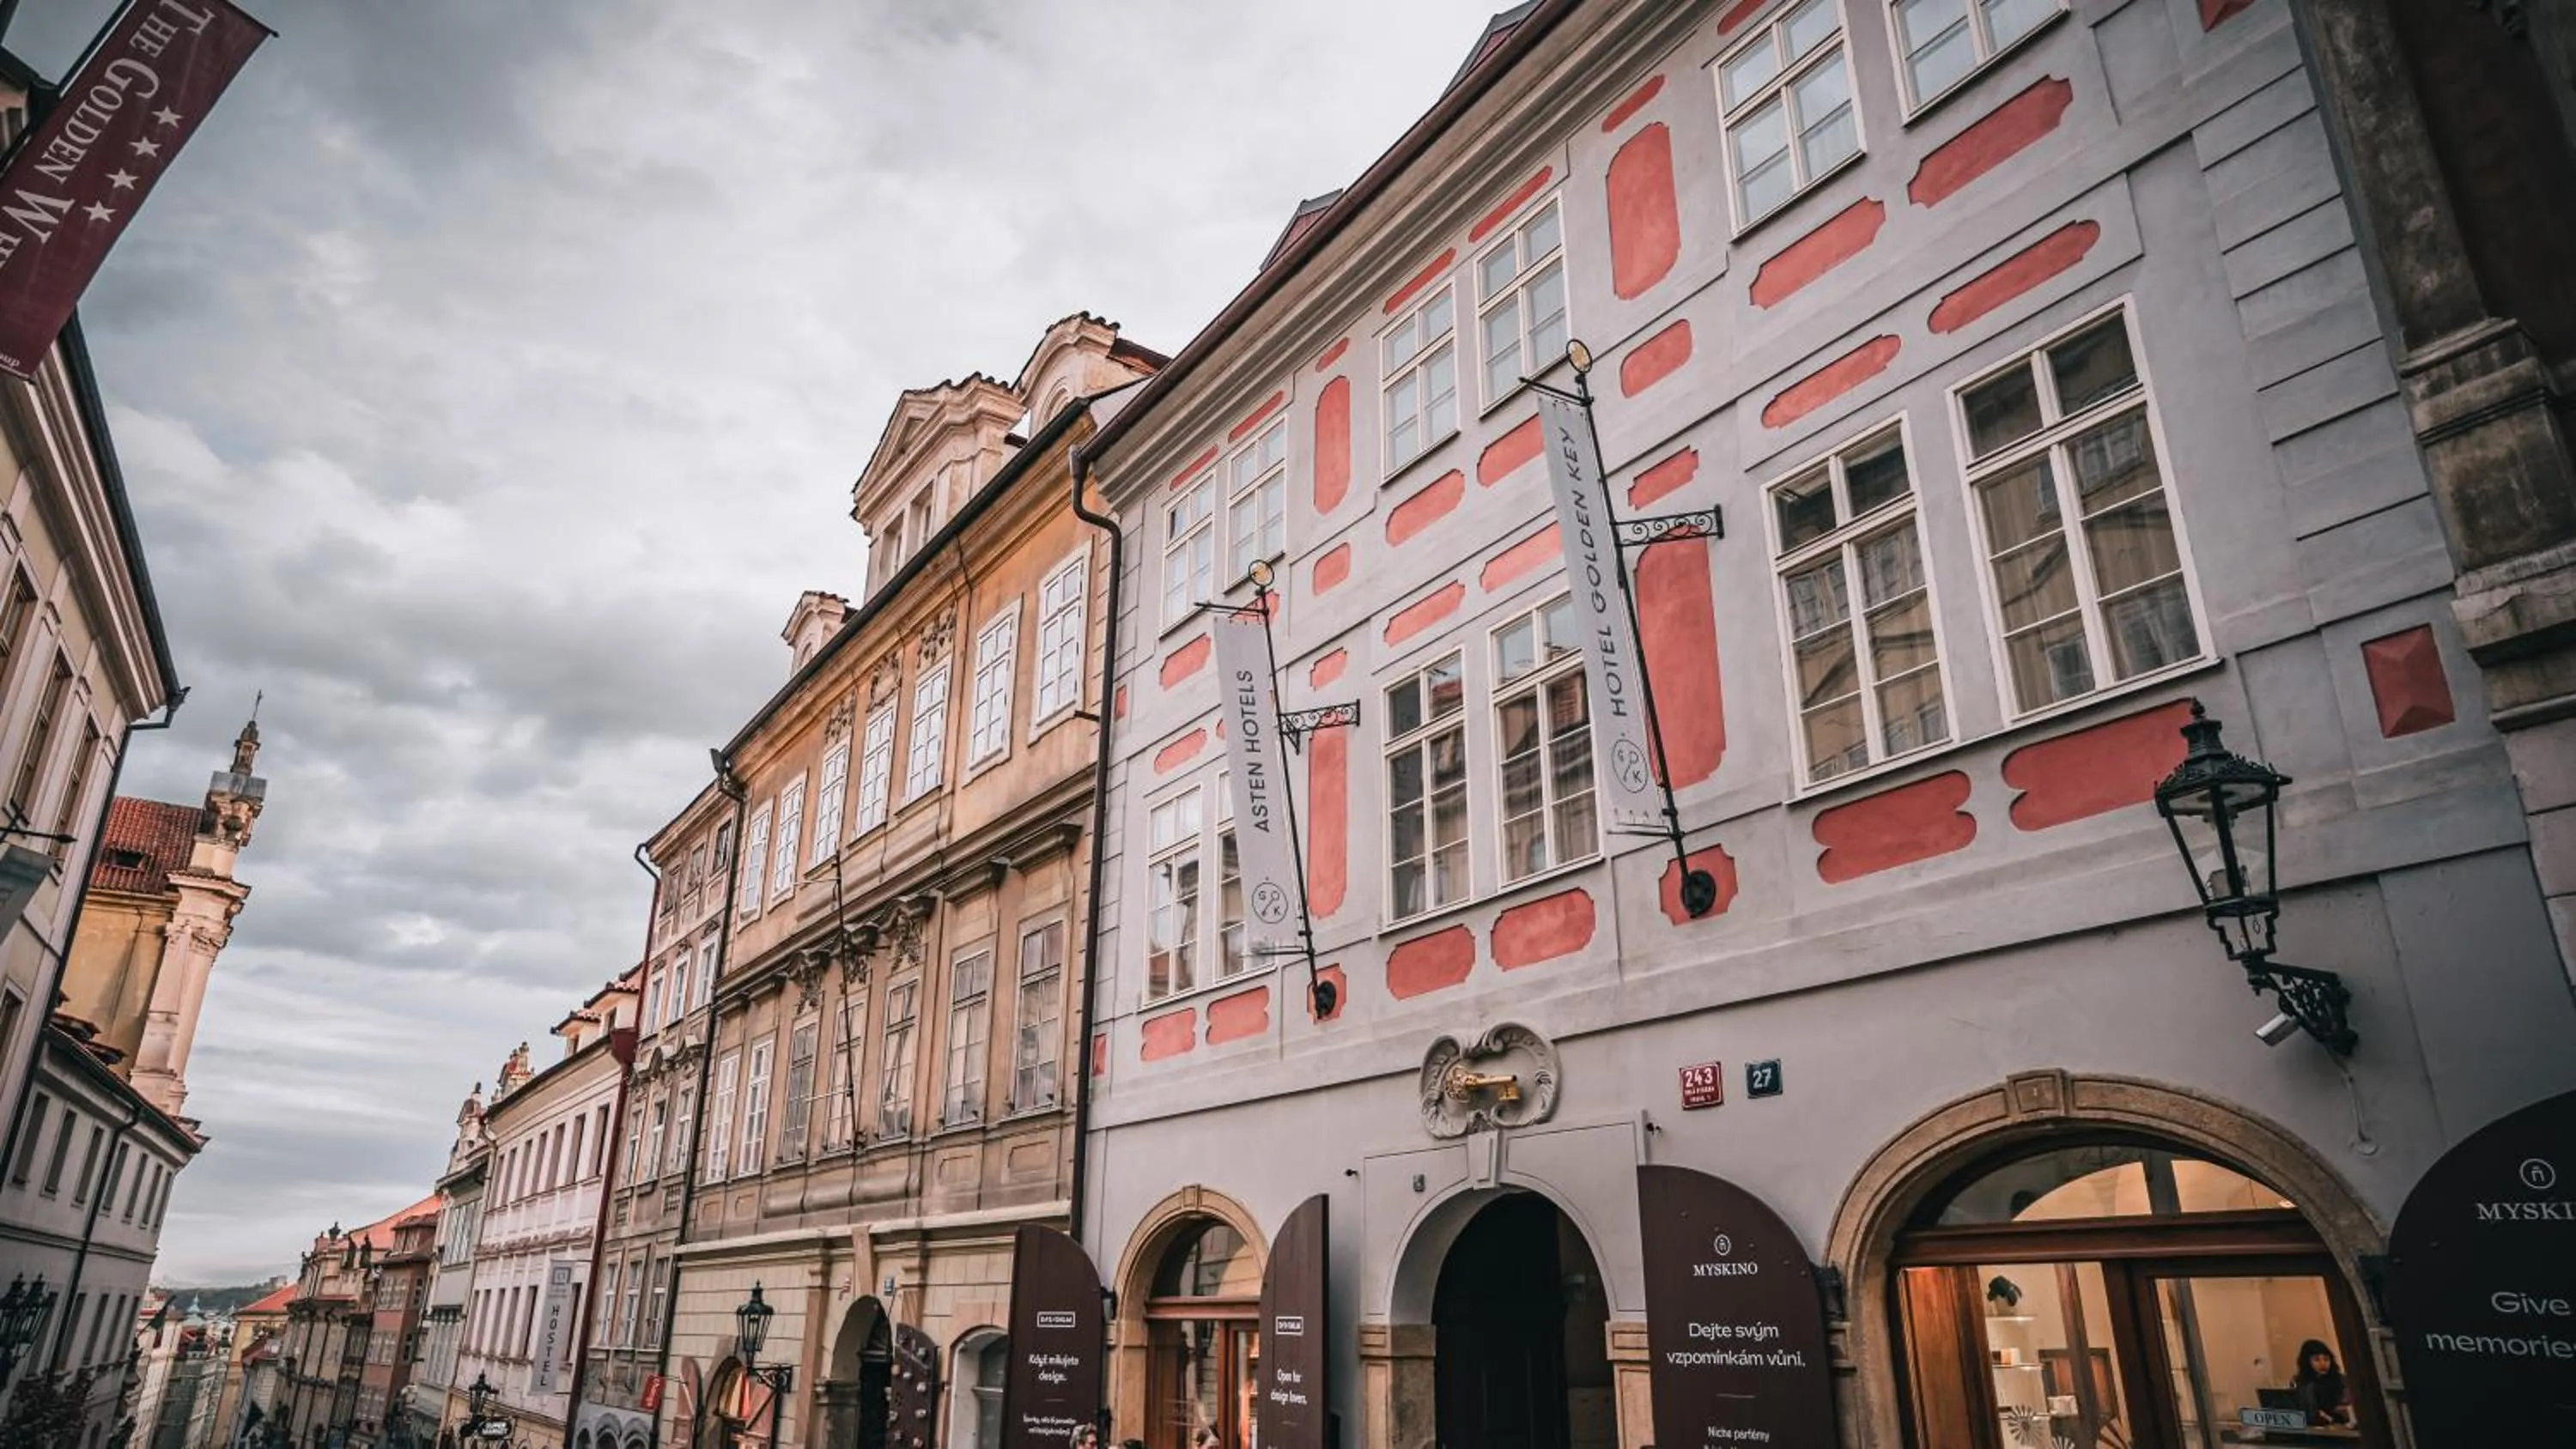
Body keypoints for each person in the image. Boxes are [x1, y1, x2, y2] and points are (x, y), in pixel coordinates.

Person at [2292, 1339, 2351, 1425]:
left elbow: (2348, 1407)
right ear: (2307, 1362)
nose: (2323, 1363)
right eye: (2317, 1360)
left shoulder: (2341, 1380)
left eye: (2326, 1359)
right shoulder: (2304, 1384)